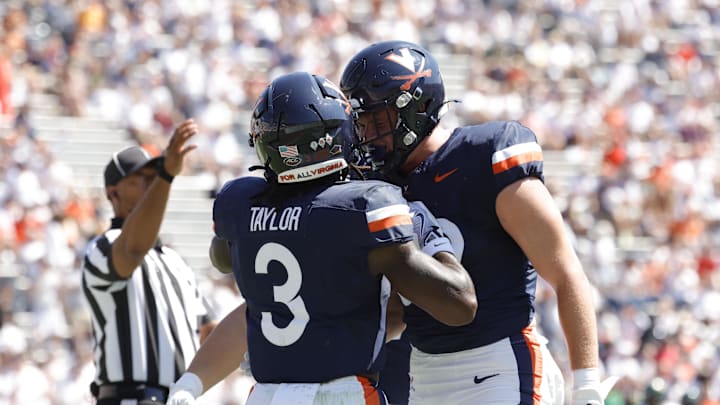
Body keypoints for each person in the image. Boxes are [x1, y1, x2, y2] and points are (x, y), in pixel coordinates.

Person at [167, 71, 477, 405]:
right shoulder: (367, 207)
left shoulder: (240, 202)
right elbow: (460, 305)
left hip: (267, 396)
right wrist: (426, 228)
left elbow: (223, 260)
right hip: (340, 395)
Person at [339, 40, 603, 405]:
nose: (366, 133)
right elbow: (399, 310)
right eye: (360, 121)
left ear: (415, 108)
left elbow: (565, 271)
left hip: (502, 364)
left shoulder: (485, 154)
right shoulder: (379, 188)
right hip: (425, 375)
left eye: (376, 119)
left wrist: (587, 383)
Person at [81, 120, 217, 404]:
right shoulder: (101, 247)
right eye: (138, 178)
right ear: (113, 193)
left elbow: (208, 330)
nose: (150, 184)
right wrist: (166, 175)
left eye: (152, 176)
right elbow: (132, 249)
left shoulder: (173, 259)